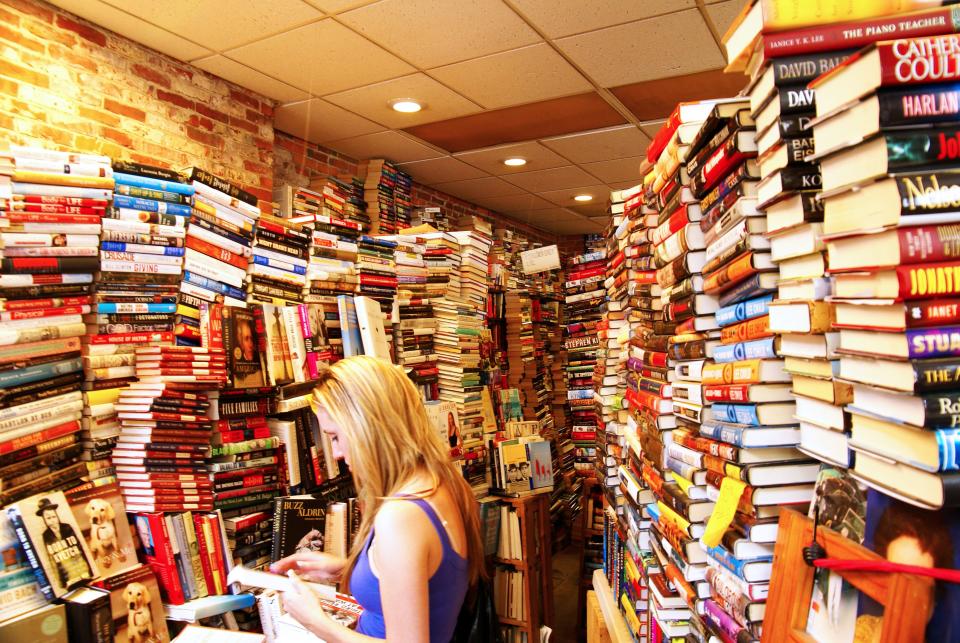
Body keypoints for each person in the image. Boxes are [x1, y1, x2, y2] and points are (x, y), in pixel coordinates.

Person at [272, 356, 484, 642]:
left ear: (366, 427)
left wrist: (314, 620)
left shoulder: (401, 516)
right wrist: (347, 569)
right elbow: (429, 578)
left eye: (335, 436)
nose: (335, 453)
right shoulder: (442, 482)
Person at [35, 496, 94, 590]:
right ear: (44, 520)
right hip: (68, 578)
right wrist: (62, 582)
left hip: (82, 572)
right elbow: (53, 560)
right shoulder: (46, 535)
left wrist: (89, 572)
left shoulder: (67, 527)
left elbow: (80, 549)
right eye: (48, 518)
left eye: (54, 516)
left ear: (57, 516)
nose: (52, 520)